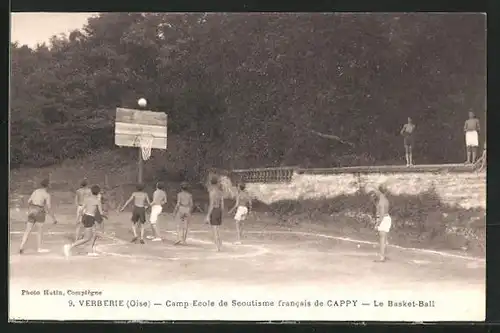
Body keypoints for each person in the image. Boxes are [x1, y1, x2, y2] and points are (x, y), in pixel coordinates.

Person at [63, 185, 104, 258]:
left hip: (86, 216)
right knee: (87, 238)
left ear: (91, 191)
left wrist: (78, 218)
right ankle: (69, 246)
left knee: (94, 234)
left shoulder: (87, 199)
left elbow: (82, 210)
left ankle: (90, 251)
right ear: (98, 193)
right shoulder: (97, 201)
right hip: (90, 218)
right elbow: (101, 213)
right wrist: (104, 215)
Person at [19, 178, 58, 254]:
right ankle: (39, 248)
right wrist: (54, 218)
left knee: (27, 230)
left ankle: (21, 246)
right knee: (39, 231)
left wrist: (30, 209)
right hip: (39, 212)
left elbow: (29, 201)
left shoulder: (36, 191)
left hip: (31, 210)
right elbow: (49, 207)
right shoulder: (47, 195)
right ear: (48, 186)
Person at [369, 185, 391, 262]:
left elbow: (381, 214)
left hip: (383, 219)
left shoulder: (381, 201)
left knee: (382, 239)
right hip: (387, 218)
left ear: (379, 192)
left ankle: (382, 257)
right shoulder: (385, 200)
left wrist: (377, 224)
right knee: (384, 239)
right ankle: (384, 255)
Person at [205, 177, 224, 251]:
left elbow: (211, 204)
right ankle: (220, 245)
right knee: (218, 229)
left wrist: (208, 215)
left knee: (214, 229)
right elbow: (222, 204)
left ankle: (217, 247)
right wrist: (221, 211)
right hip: (219, 210)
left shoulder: (212, 192)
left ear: (211, 183)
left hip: (214, 210)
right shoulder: (220, 192)